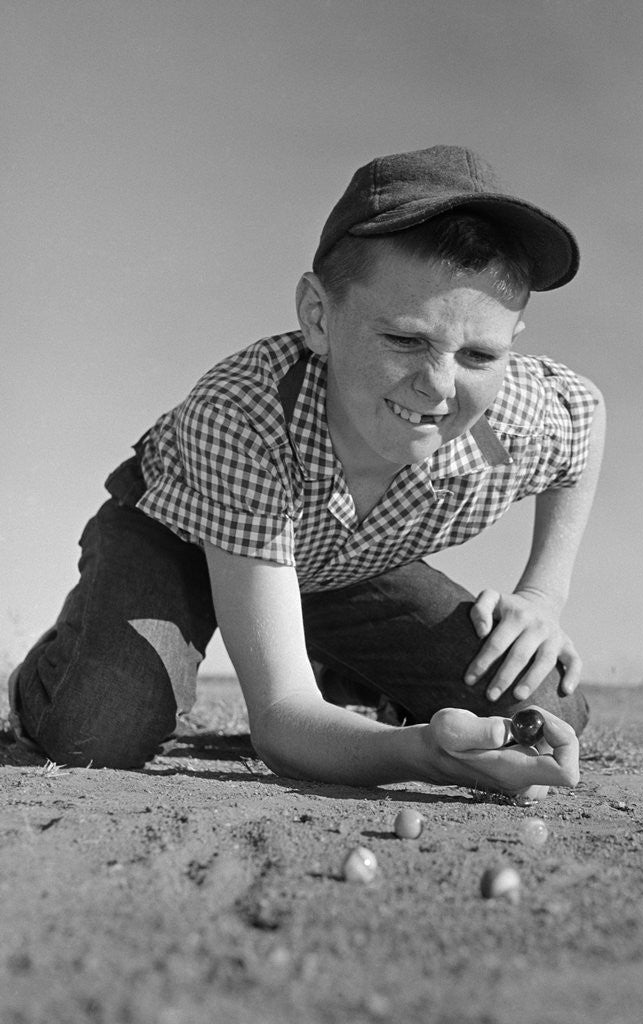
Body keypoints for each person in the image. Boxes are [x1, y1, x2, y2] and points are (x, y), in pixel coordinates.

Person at [9, 144, 605, 800]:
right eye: (404, 339)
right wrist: (420, 754)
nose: (438, 387)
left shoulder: (515, 412)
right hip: (171, 541)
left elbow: (586, 416)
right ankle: (49, 679)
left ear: (511, 342)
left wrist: (540, 597)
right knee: (102, 727)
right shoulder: (243, 414)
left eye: (479, 352)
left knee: (540, 704)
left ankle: (344, 675)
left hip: (335, 565)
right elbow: (279, 721)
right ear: (318, 316)